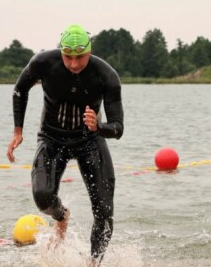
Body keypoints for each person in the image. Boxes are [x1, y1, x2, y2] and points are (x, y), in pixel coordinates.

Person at [6, 24, 123, 265]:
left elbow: (118, 128)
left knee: (104, 211)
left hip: (89, 141)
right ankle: (62, 217)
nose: (73, 63)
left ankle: (94, 263)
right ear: (61, 52)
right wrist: (18, 130)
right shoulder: (43, 63)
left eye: (79, 57)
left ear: (89, 52)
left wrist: (98, 127)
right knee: (42, 197)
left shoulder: (106, 75)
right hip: (52, 139)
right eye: (67, 56)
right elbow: (20, 90)